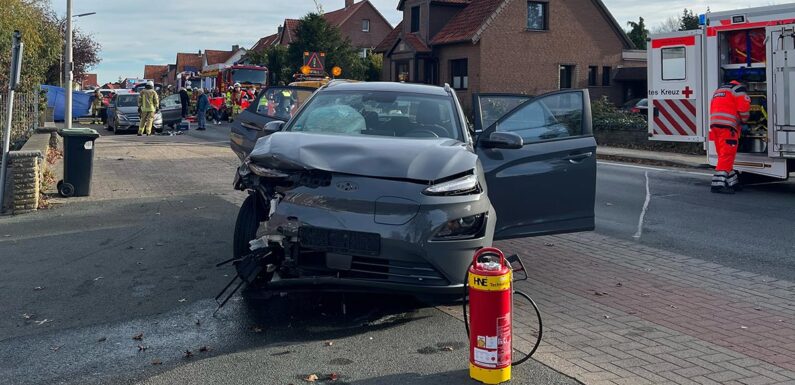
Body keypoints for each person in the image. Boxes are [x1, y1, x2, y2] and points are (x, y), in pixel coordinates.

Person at [708, 80, 751, 194]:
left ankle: (733, 183)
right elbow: (743, 109)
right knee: (727, 155)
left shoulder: (720, 90)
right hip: (728, 128)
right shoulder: (739, 89)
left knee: (723, 155)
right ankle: (717, 185)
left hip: (715, 126)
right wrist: (746, 120)